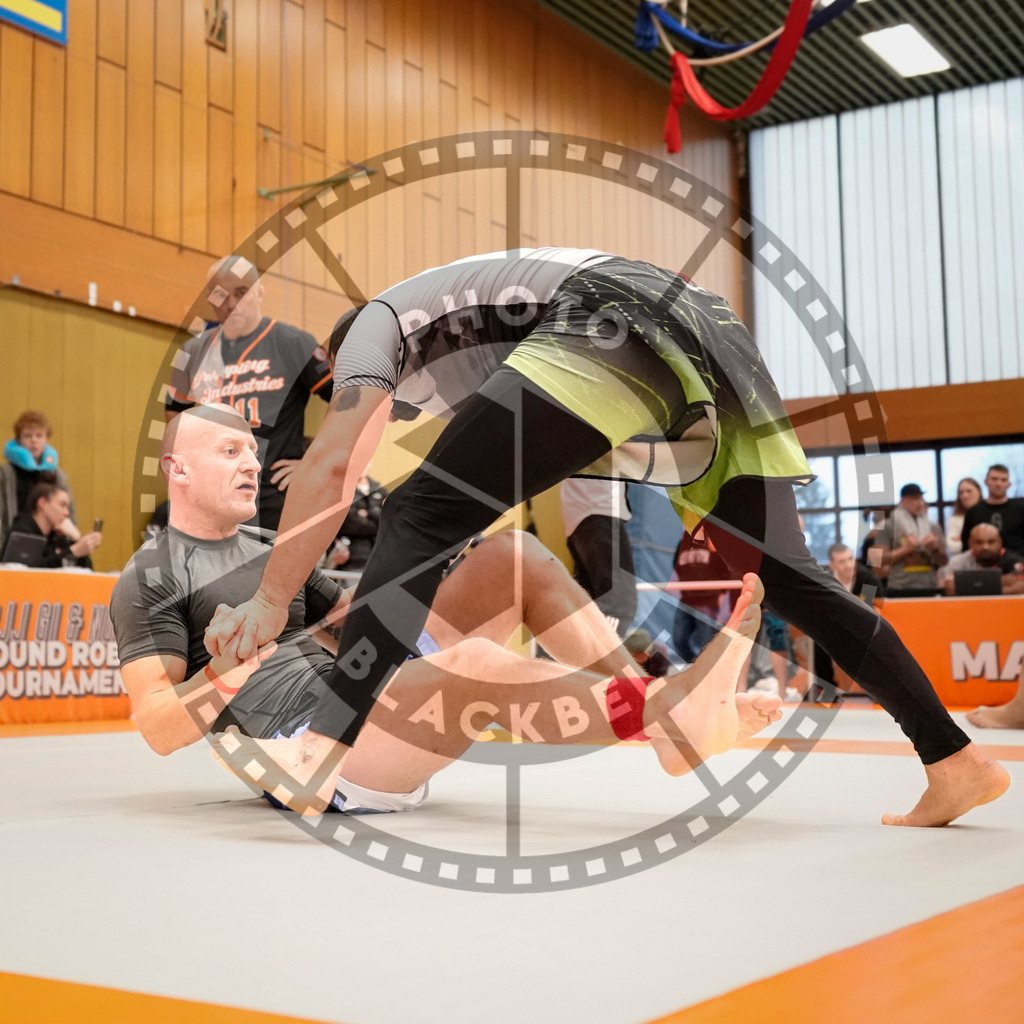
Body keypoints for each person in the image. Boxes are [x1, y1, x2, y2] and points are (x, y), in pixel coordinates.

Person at [206, 247, 1009, 827]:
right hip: (708, 329)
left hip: (610, 316)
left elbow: (336, 465)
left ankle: (320, 748)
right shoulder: (468, 352)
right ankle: (952, 758)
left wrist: (272, 598)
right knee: (792, 576)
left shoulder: (376, 326)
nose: (385, 411)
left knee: (417, 511)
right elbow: (532, 453)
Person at [111, 406, 782, 811]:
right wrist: (228, 672)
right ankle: (667, 712)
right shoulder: (151, 576)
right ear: (177, 470)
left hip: (362, 683)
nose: (252, 467)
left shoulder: (267, 547)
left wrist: (421, 567)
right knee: (477, 665)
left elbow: (348, 618)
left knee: (513, 555)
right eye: (230, 453)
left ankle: (663, 722)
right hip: (314, 748)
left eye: (253, 454)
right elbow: (159, 728)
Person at [165, 255, 334, 533]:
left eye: (241, 293)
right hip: (211, 499)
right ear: (210, 298)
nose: (231, 303)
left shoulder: (293, 343)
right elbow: (176, 418)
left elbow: (346, 402)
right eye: (221, 295)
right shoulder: (192, 353)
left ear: (260, 293)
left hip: (274, 496)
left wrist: (315, 459)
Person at [560, 477, 637, 636]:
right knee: (618, 606)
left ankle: (586, 650)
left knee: (591, 607)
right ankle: (602, 650)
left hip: (586, 511)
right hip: (598, 509)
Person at [0, 410, 80, 553]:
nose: (33, 440)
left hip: (51, 544)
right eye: (27, 436)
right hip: (16, 539)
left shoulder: (57, 476)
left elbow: (69, 511)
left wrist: (72, 541)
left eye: (39, 435)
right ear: (18, 440)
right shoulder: (6, 474)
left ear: (46, 439)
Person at [872, 483, 948, 596]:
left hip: (929, 586)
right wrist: (905, 549)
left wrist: (935, 549)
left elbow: (944, 562)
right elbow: (878, 560)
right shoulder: (888, 526)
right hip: (899, 587)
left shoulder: (933, 527)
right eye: (914, 499)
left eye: (921, 498)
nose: (920, 503)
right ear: (903, 500)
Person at [4, 482, 101, 568]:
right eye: (62, 505)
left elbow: (86, 571)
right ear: (42, 503)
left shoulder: (57, 536)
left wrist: (76, 539)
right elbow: (29, 570)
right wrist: (73, 551)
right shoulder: (21, 532)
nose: (67, 513)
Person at [938, 523, 1024, 596]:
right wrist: (998, 582)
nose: (985, 547)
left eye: (991, 542)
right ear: (970, 544)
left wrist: (972, 586)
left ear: (1000, 543)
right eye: (979, 542)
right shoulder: (958, 562)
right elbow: (950, 590)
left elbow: (1020, 588)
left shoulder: (1014, 560)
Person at [960, 465, 1024, 556]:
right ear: (986, 482)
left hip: (1017, 562)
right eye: (994, 479)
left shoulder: (1020, 509)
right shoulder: (973, 512)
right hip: (982, 562)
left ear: (1009, 484)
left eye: (1003, 480)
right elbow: (966, 546)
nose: (998, 483)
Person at [945, 477, 982, 555]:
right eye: (961, 492)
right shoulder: (954, 519)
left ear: (979, 492)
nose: (965, 496)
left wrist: (963, 539)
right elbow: (952, 548)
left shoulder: (988, 514)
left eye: (969, 491)